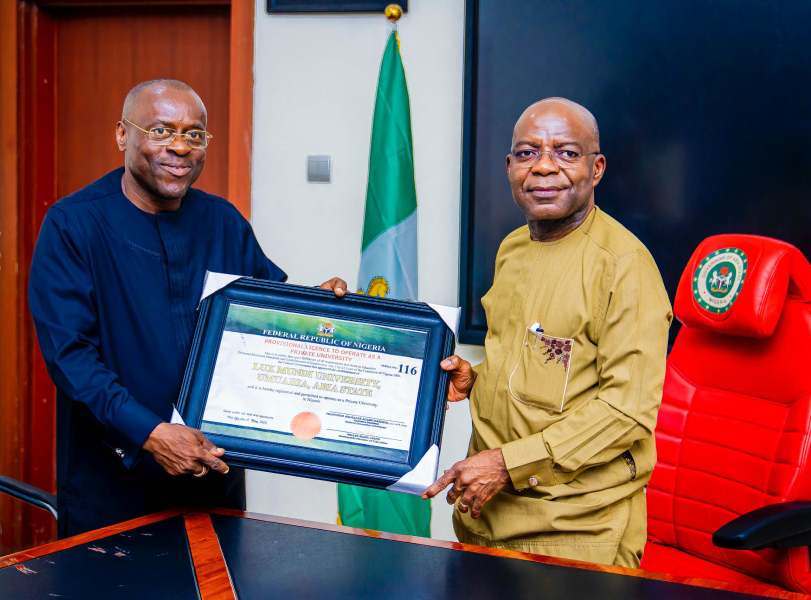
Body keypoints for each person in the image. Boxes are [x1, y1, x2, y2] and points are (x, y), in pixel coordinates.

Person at [29, 79, 348, 537]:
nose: (179, 147)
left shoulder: (223, 221)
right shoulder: (73, 225)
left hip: (213, 487)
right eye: (161, 130)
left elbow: (268, 322)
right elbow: (71, 358)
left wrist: (321, 312)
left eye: (194, 134)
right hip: (115, 490)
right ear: (123, 134)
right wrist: (150, 432)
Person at [423, 98, 672, 567]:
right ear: (509, 167)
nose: (543, 167)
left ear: (596, 169)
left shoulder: (624, 268)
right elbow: (537, 363)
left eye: (566, 153)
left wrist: (504, 464)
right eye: (527, 153)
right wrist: (476, 380)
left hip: (572, 536)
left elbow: (626, 412)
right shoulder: (513, 249)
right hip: (483, 519)